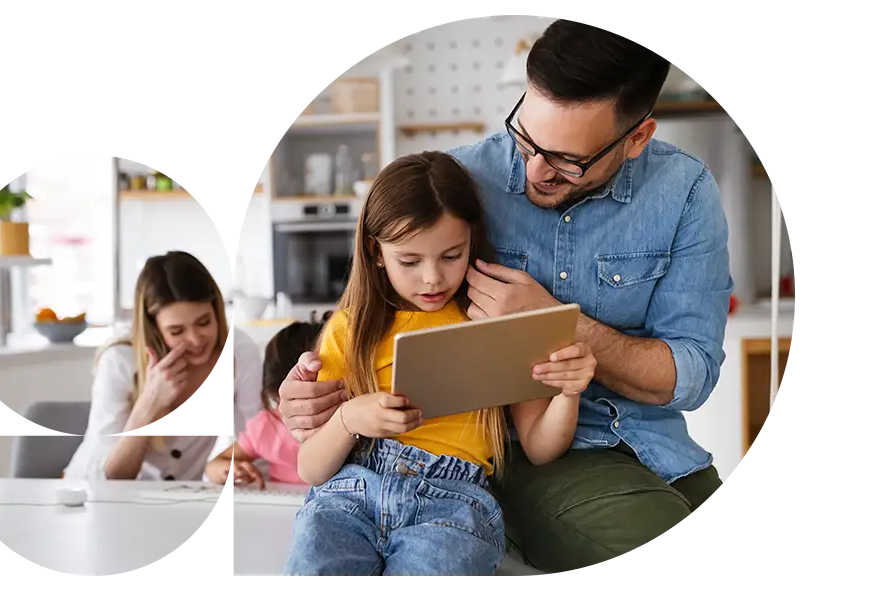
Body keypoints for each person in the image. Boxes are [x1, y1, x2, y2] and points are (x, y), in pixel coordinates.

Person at [277, 16, 732, 575]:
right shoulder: (458, 186)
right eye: (527, 136)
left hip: (658, 448)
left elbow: (691, 375)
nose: (535, 169)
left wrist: (555, 326)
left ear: (637, 137)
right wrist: (310, 403)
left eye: (569, 160)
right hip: (521, 458)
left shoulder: (685, 191)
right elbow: (359, 339)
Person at [282, 152, 597, 576]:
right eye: (409, 262)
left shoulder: (495, 318)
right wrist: (347, 419)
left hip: (453, 502)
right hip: (350, 492)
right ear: (376, 253)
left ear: (473, 239)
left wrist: (569, 391)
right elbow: (310, 468)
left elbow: (540, 448)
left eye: (451, 255)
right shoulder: (351, 327)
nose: (432, 278)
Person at [63, 251, 263, 481]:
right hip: (95, 492)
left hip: (179, 499)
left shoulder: (239, 352)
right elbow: (113, 476)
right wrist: (149, 403)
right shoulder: (120, 359)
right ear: (154, 328)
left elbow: (253, 442)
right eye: (177, 331)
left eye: (204, 322)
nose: (196, 340)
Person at [204, 319, 328, 488]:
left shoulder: (350, 423)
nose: (304, 411)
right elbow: (213, 467)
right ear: (274, 395)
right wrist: (232, 469)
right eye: (289, 400)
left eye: (314, 399)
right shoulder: (269, 425)